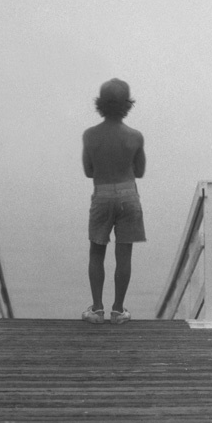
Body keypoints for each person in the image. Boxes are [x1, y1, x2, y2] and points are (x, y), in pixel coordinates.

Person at [81, 78, 146, 324]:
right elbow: (140, 171)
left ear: (100, 104)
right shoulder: (135, 137)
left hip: (102, 195)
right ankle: (118, 310)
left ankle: (97, 309)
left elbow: (89, 171)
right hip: (128, 196)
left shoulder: (90, 135)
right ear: (127, 105)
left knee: (97, 252)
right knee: (124, 255)